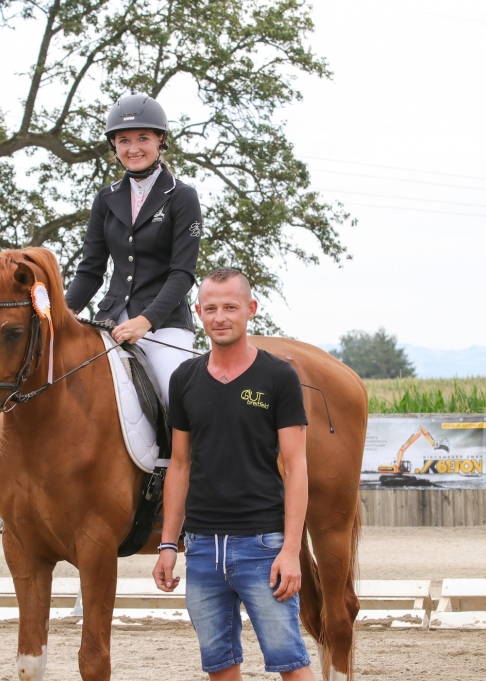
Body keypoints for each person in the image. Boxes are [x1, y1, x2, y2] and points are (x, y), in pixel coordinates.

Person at [152, 268, 314, 681]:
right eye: (211, 308)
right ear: (198, 313)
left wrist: (291, 550)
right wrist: (169, 543)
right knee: (220, 668)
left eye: (230, 307)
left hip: (263, 546)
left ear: (250, 310)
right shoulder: (184, 378)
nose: (220, 316)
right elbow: (180, 465)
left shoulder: (278, 377)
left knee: (291, 664)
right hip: (203, 550)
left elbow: (296, 466)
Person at [64, 93, 202, 403]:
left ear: (160, 140)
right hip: (109, 319)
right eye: (124, 140)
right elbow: (90, 270)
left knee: (177, 396)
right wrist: (61, 312)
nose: (134, 148)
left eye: (143, 137)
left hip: (163, 325)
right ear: (114, 145)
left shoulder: (182, 197)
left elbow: (182, 274)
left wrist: (145, 321)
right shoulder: (105, 198)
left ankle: (184, 454)